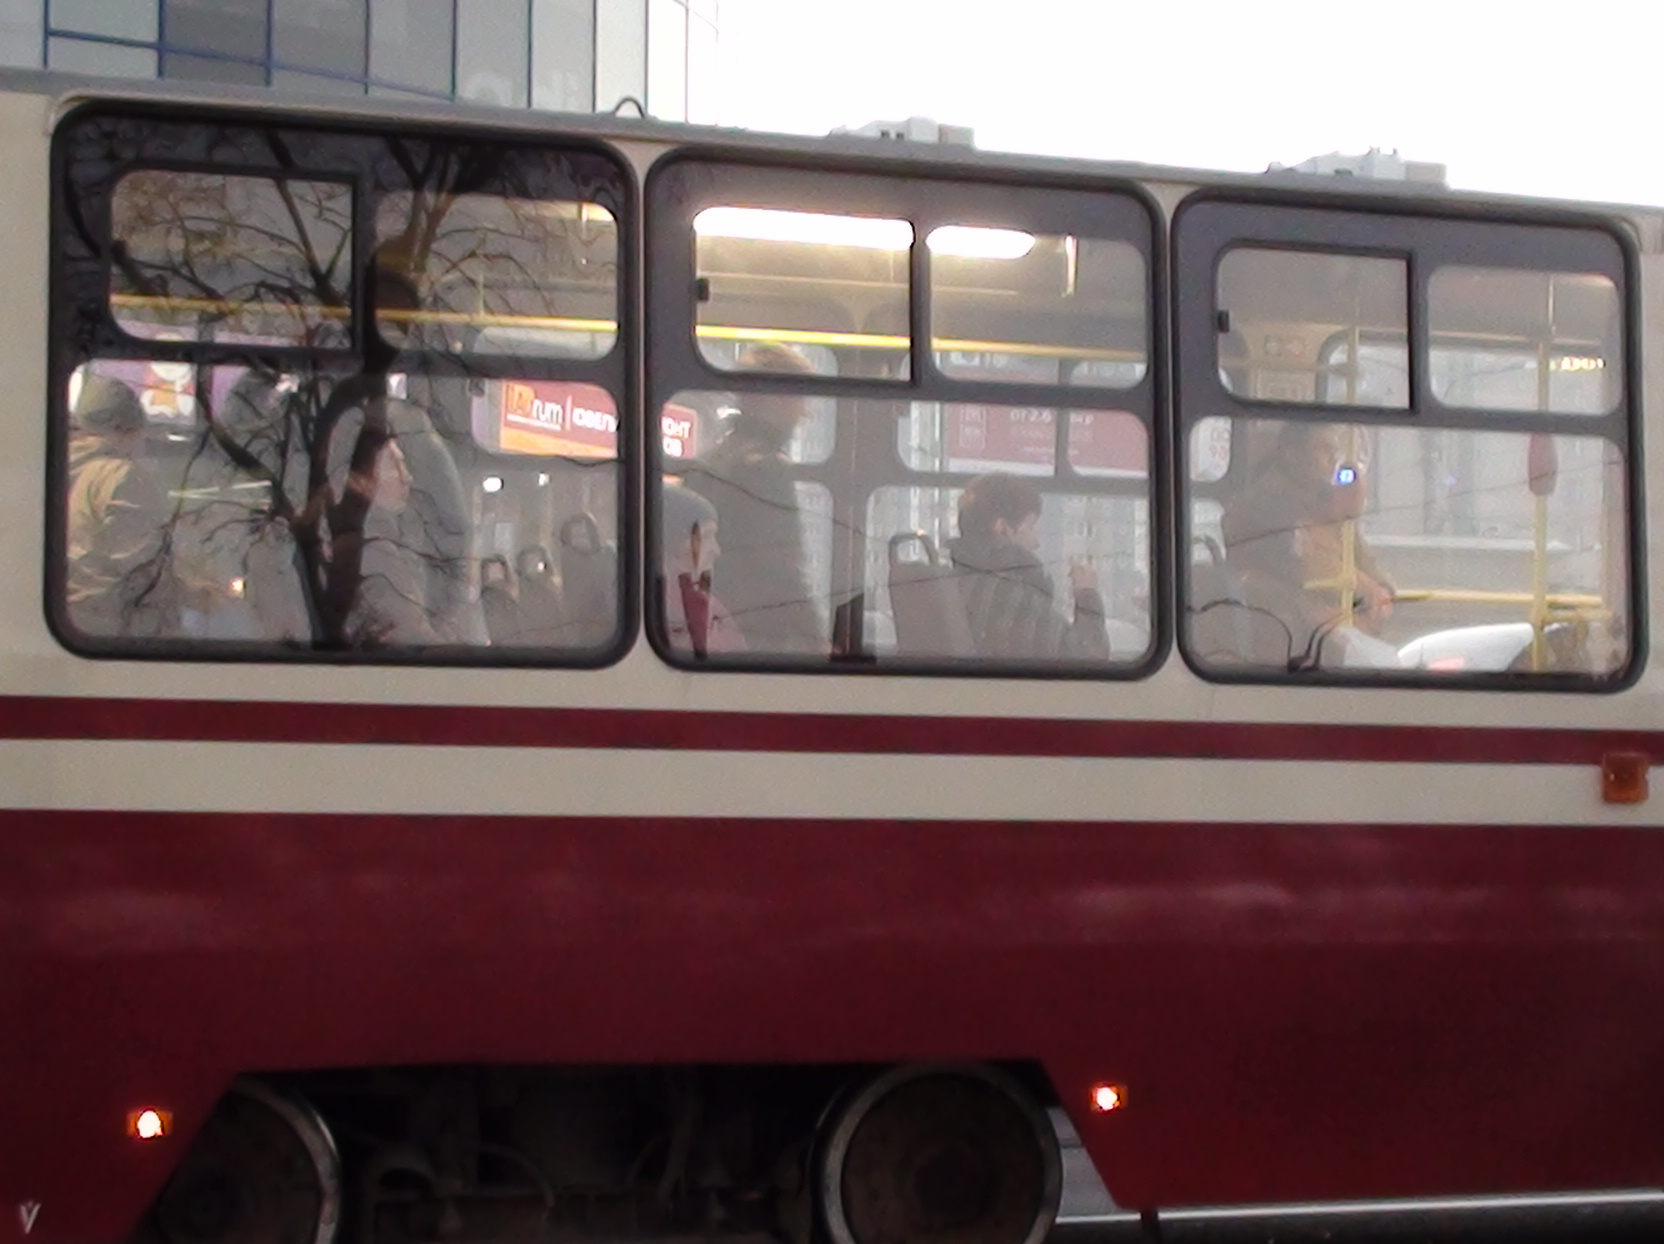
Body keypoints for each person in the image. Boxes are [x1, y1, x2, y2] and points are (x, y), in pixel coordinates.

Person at [683, 343, 822, 655]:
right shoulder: (766, 469)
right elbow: (783, 570)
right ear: (772, 399)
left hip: (716, 624)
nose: (805, 413)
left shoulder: (712, 459)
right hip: (758, 634)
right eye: (799, 399)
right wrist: (818, 642)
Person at [1221, 421, 1395, 667]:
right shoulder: (1264, 508)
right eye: (1324, 449)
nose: (1332, 458)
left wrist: (1382, 590)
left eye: (1334, 450)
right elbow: (1300, 568)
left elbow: (1364, 559)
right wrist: (1365, 588)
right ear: (1293, 455)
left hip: (1333, 633)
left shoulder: (1330, 503)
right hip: (1287, 644)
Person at [945, 474, 1109, 661]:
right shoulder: (1014, 599)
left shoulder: (949, 586)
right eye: (1030, 528)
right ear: (1003, 528)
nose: (1036, 543)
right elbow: (1088, 659)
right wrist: (1087, 594)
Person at [65, 374, 176, 638]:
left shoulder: (55, 471)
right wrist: (195, 593)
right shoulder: (121, 476)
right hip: (118, 631)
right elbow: (139, 570)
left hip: (74, 621)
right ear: (126, 429)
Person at [660, 482, 744, 657]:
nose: (716, 550)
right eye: (706, 536)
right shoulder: (667, 605)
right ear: (678, 543)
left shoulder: (702, 598)